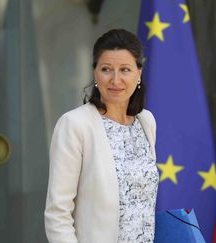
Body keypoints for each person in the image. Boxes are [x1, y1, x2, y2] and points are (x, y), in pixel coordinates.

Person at [44, 29, 158, 243]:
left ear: (138, 74)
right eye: (106, 69)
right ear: (95, 72)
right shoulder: (74, 125)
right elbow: (57, 214)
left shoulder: (146, 121)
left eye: (125, 69)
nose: (116, 80)